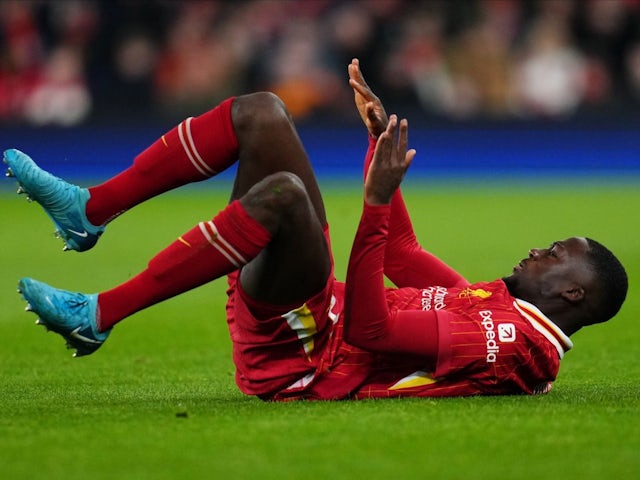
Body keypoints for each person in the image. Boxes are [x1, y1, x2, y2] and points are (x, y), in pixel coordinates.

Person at [4, 59, 627, 400]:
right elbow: (403, 253)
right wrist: (376, 141)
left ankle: (100, 314)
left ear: (572, 293)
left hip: (303, 357)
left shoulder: (511, 347)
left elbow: (369, 330)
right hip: (311, 313)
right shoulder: (495, 307)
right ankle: (91, 211)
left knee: (285, 196)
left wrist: (378, 203)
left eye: (554, 254)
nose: (537, 251)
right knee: (261, 112)